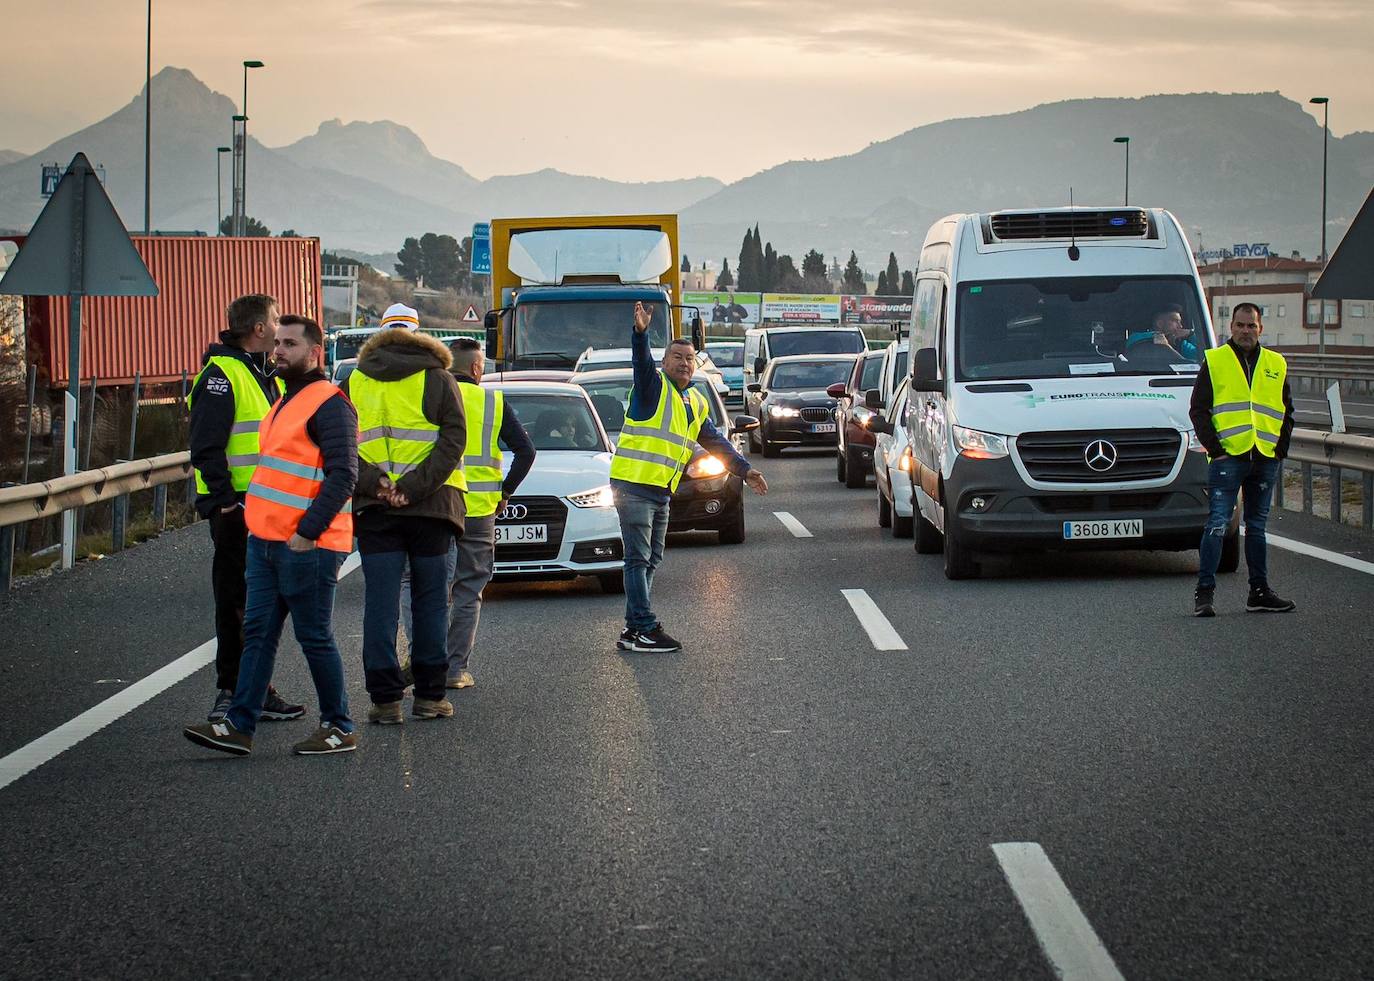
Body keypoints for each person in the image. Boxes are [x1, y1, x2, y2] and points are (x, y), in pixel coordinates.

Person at [183, 315, 359, 756]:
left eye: (290, 344)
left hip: (307, 544)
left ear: (315, 353)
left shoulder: (329, 403)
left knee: (314, 636)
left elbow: (344, 476)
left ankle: (338, 726)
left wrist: (308, 531)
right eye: (277, 342)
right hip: (263, 541)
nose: (278, 350)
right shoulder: (283, 400)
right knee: (258, 632)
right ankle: (239, 724)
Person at [610, 302, 768, 653]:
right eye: (677, 357)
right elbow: (640, 365)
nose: (684, 363)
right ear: (664, 363)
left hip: (661, 492)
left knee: (651, 559)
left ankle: (633, 628)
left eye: (690, 358)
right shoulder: (652, 388)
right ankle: (644, 627)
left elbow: (715, 442)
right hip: (633, 486)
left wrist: (744, 470)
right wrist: (640, 334)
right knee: (637, 558)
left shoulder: (694, 401)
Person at [187, 292, 305, 724]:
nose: (280, 328)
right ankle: (233, 691)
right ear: (259, 329)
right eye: (276, 320)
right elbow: (205, 446)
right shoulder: (223, 375)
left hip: (265, 509)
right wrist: (224, 504)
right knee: (236, 602)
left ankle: (256, 689)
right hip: (238, 512)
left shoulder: (262, 374)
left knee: (262, 605)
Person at [344, 314, 466, 722]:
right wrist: (412, 488)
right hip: (431, 508)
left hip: (376, 509)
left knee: (380, 604)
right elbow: (454, 440)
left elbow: (339, 444)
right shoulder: (437, 378)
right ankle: (430, 696)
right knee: (430, 602)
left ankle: (385, 702)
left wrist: (376, 484)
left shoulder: (356, 381)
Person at [1189, 302, 1296, 617]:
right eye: (1240, 325)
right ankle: (1204, 593)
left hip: (1264, 456)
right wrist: (1215, 448)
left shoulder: (1275, 363)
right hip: (1228, 457)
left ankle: (1259, 592)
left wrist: (1279, 449)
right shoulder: (1216, 360)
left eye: (1251, 325)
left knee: (1257, 527)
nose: (1245, 331)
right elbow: (1198, 409)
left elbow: (1286, 410)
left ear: (1261, 328)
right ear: (1230, 327)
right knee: (1218, 524)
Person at [445, 337, 536, 688]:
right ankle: (455, 671)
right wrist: (505, 491)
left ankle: (426, 665)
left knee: (433, 590)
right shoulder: (491, 400)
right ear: (476, 368)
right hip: (480, 511)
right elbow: (525, 452)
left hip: (438, 509)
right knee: (468, 591)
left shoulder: (431, 398)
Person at [1126, 304, 1199, 361]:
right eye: (1175, 321)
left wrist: (1191, 334)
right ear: (1159, 323)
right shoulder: (1136, 337)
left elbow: (1201, 358)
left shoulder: (1179, 344)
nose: (1180, 326)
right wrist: (1160, 337)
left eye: (1180, 322)